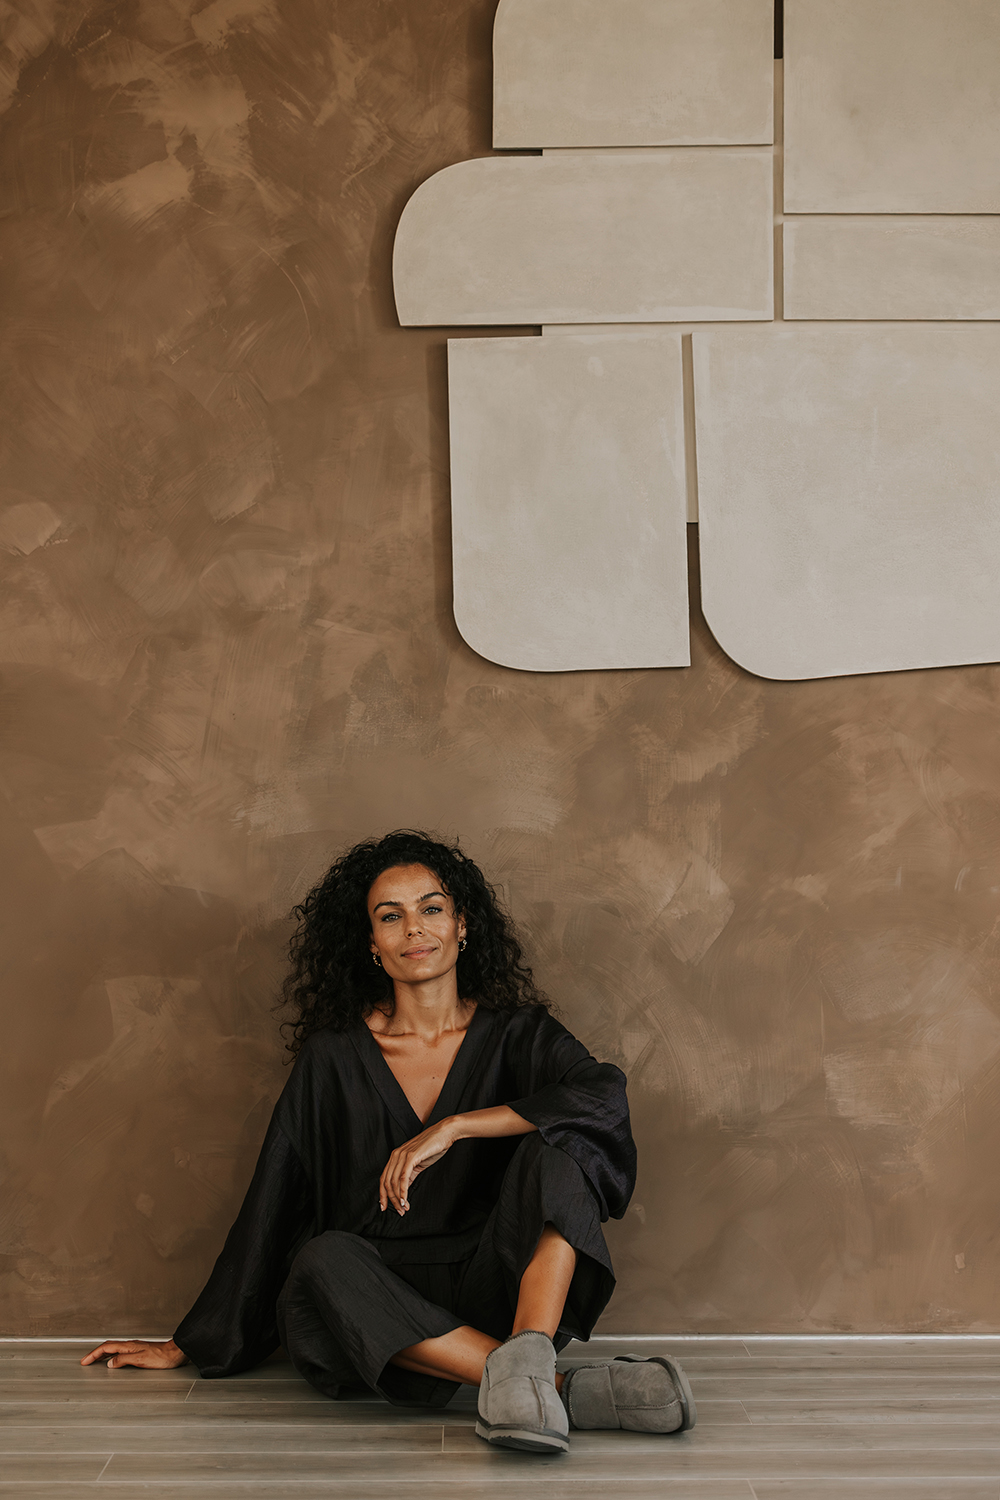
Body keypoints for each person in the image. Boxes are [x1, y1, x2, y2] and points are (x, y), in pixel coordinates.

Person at [82, 830, 695, 1453]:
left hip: (497, 1286)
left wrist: (456, 1125)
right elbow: (273, 1197)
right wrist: (188, 1341)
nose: (414, 929)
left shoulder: (521, 1033)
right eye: (390, 916)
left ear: (462, 925)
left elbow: (601, 1096)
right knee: (317, 1260)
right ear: (372, 943)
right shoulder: (332, 1056)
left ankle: (528, 1359)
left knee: (561, 1151)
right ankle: (550, 1388)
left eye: (431, 908)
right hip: (370, 1302)